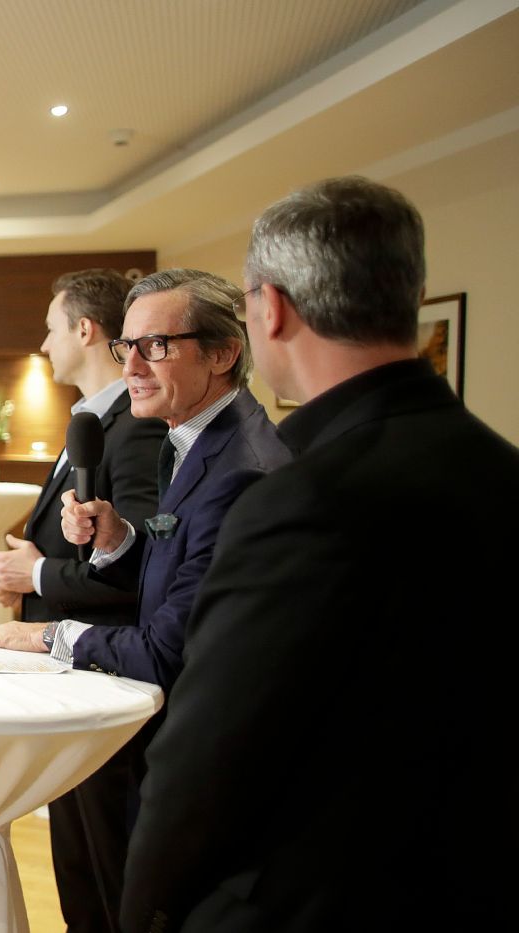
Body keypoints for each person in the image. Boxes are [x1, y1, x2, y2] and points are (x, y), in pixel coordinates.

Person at [121, 178, 519, 932]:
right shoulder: (504, 471)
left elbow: (205, 765)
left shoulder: (296, 497)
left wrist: (142, 909)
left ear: (270, 310)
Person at [0, 270, 289, 929]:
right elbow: (176, 552)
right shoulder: (189, 438)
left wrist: (46, 635)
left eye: (157, 345)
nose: (132, 364)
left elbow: (172, 645)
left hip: (196, 750)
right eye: (127, 346)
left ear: (224, 353)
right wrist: (118, 538)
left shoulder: (238, 467)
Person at [0, 268, 165, 932]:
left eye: (51, 327)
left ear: (85, 329)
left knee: (107, 865)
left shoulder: (135, 427)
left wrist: (38, 578)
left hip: (106, 669)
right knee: (78, 861)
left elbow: (137, 556)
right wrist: (28, 568)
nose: (44, 342)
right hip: (69, 660)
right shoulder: (92, 419)